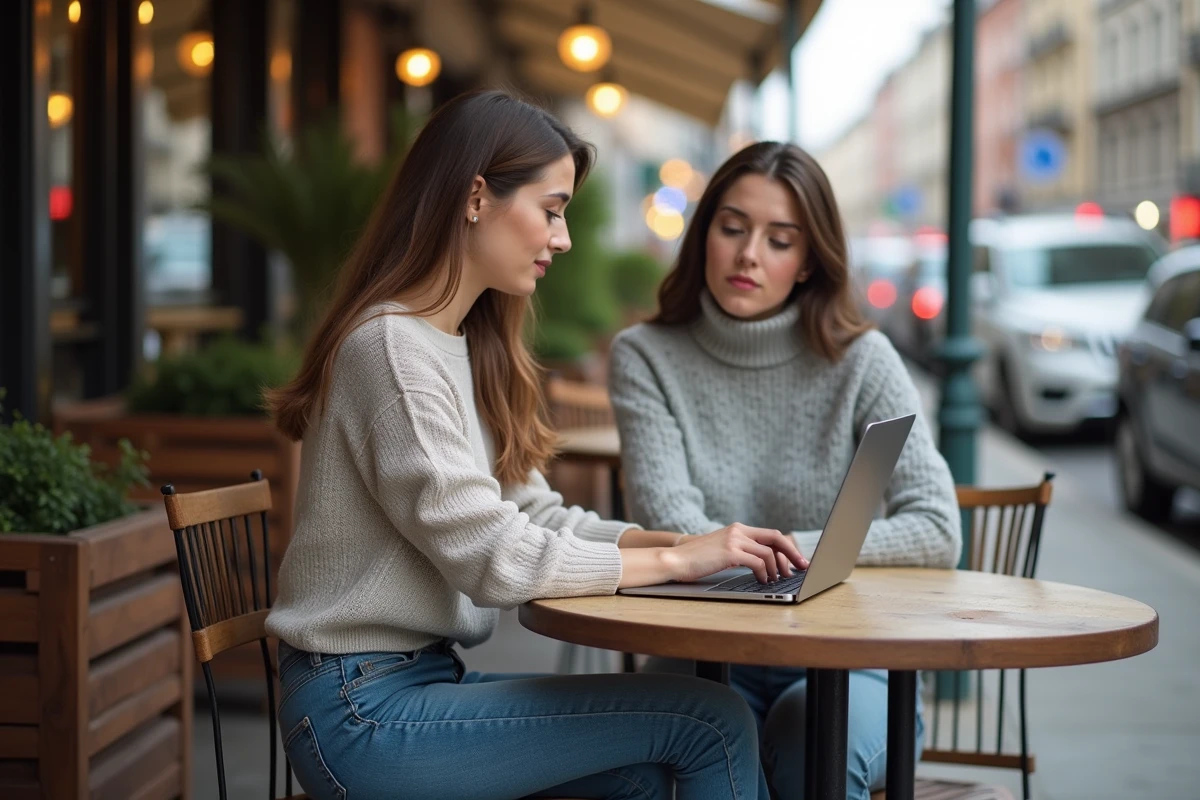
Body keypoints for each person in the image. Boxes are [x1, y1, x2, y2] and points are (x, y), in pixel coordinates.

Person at [261, 90, 806, 800]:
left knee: (647, 776)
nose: (564, 237)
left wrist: (696, 545)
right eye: (552, 209)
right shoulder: (391, 350)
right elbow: (495, 559)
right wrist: (676, 560)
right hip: (362, 712)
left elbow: (536, 516)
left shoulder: (458, 344)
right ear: (476, 198)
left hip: (413, 685)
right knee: (709, 720)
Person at [607, 141, 962, 800]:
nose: (749, 255)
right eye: (733, 228)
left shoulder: (865, 361)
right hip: (701, 653)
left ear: (807, 262)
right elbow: (674, 526)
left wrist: (794, 551)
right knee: (688, 750)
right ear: (704, 234)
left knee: (812, 739)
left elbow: (936, 527)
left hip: (854, 660)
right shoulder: (645, 355)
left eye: (780, 240)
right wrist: (793, 561)